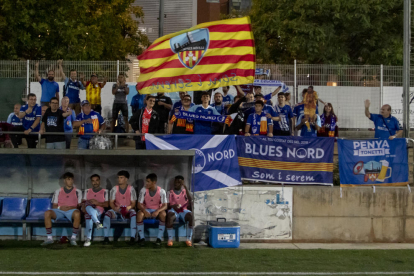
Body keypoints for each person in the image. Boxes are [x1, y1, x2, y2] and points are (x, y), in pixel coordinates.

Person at [41, 172, 82, 246]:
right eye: (68, 179)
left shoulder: (78, 192)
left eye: (71, 179)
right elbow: (54, 206)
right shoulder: (58, 191)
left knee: (77, 213)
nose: (70, 181)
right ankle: (49, 238)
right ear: (64, 181)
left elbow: (79, 206)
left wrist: (72, 207)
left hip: (72, 210)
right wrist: (61, 207)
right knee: (47, 213)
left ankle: (73, 238)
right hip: (59, 211)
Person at [102, 170, 137, 245]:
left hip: (128, 209)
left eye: (121, 177)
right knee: (107, 214)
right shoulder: (115, 188)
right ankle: (106, 238)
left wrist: (128, 207)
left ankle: (132, 237)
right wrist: (115, 209)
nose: (119, 179)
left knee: (134, 214)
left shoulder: (131, 189)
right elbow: (111, 202)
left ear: (126, 179)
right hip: (117, 209)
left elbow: (133, 203)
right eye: (118, 177)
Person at [136, 173, 168, 246]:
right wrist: (144, 211)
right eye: (146, 181)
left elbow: (165, 205)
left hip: (156, 210)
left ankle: (159, 239)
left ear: (154, 182)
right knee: (139, 215)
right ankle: (142, 238)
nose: (146, 183)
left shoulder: (161, 191)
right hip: (146, 210)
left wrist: (157, 211)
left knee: (163, 214)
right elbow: (139, 204)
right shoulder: (143, 190)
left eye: (148, 181)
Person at [166, 175, 193, 247]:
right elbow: (168, 205)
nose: (176, 184)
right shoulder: (170, 192)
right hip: (174, 210)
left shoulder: (185, 191)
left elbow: (190, 199)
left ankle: (188, 239)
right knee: (169, 216)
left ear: (182, 183)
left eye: (178, 182)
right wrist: (173, 206)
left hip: (183, 211)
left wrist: (185, 187)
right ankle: (170, 239)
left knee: (191, 217)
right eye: (175, 182)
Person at [83, 174, 108, 247]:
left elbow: (106, 205)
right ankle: (97, 222)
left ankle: (88, 238)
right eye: (93, 181)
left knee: (89, 214)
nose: (95, 182)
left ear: (99, 181)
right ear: (91, 182)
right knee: (87, 205)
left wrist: (97, 203)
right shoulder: (87, 191)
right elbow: (83, 204)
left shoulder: (105, 191)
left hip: (99, 211)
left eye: (97, 180)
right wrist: (85, 208)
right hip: (88, 212)